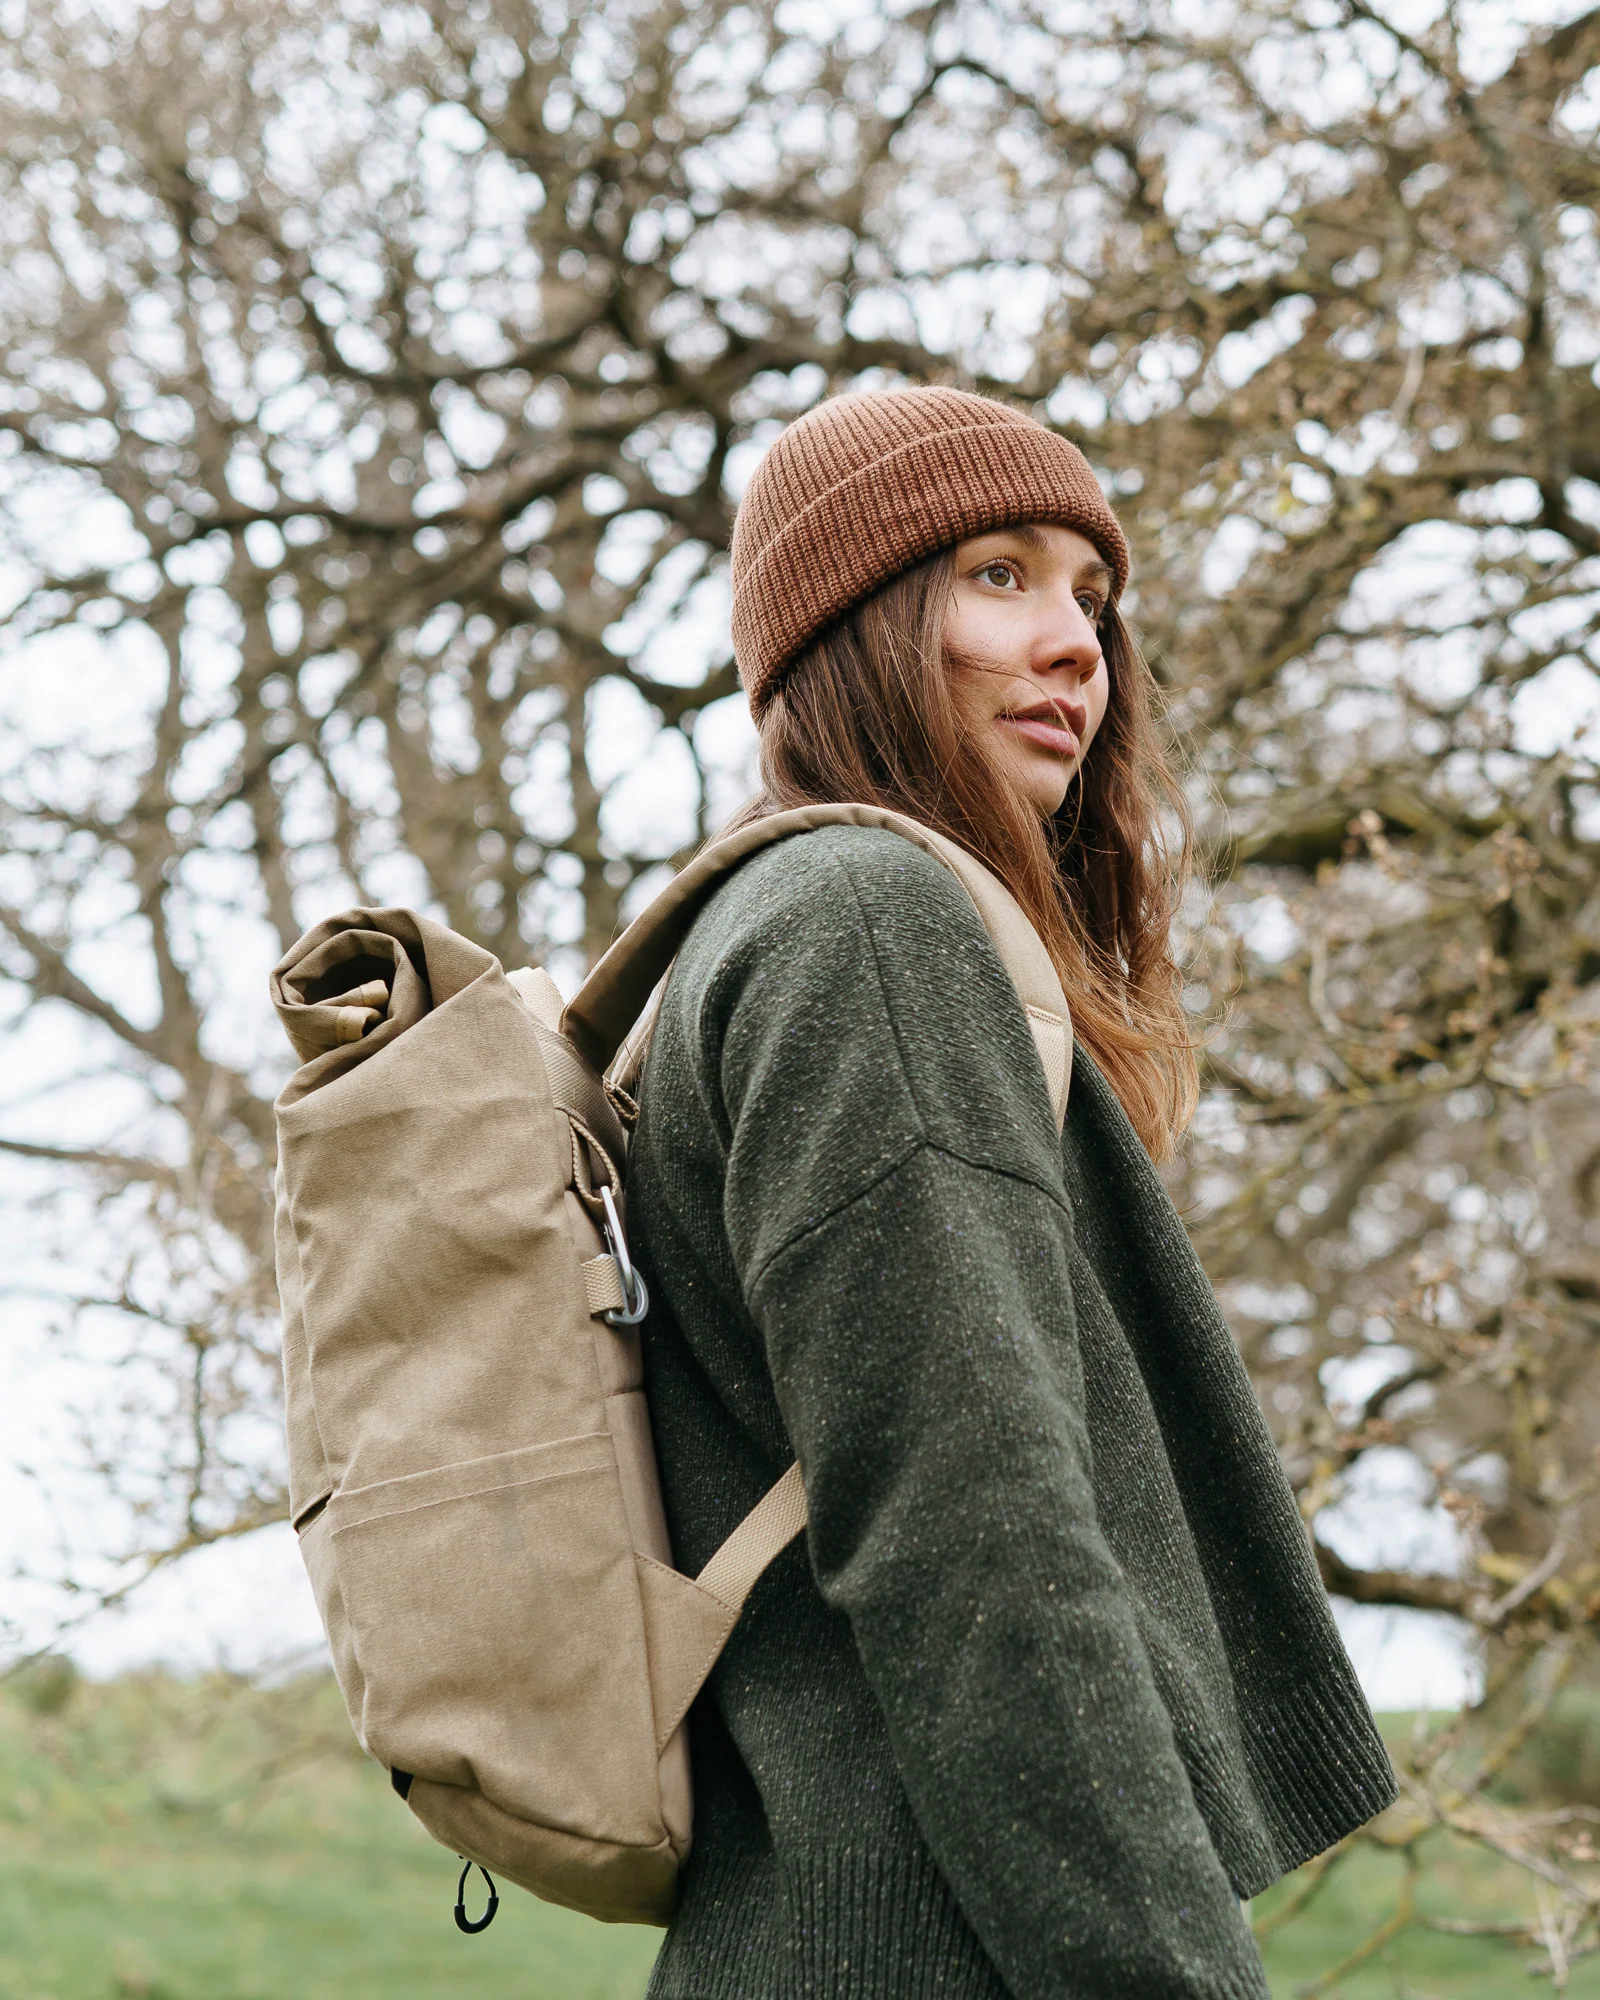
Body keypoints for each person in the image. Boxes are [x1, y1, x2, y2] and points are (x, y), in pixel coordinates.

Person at [626, 387, 1395, 2000]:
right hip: (944, 1951)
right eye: (998, 574)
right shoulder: (868, 933)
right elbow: (979, 1546)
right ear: (857, 628)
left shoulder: (778, 933)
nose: (1075, 646)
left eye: (1091, 599)